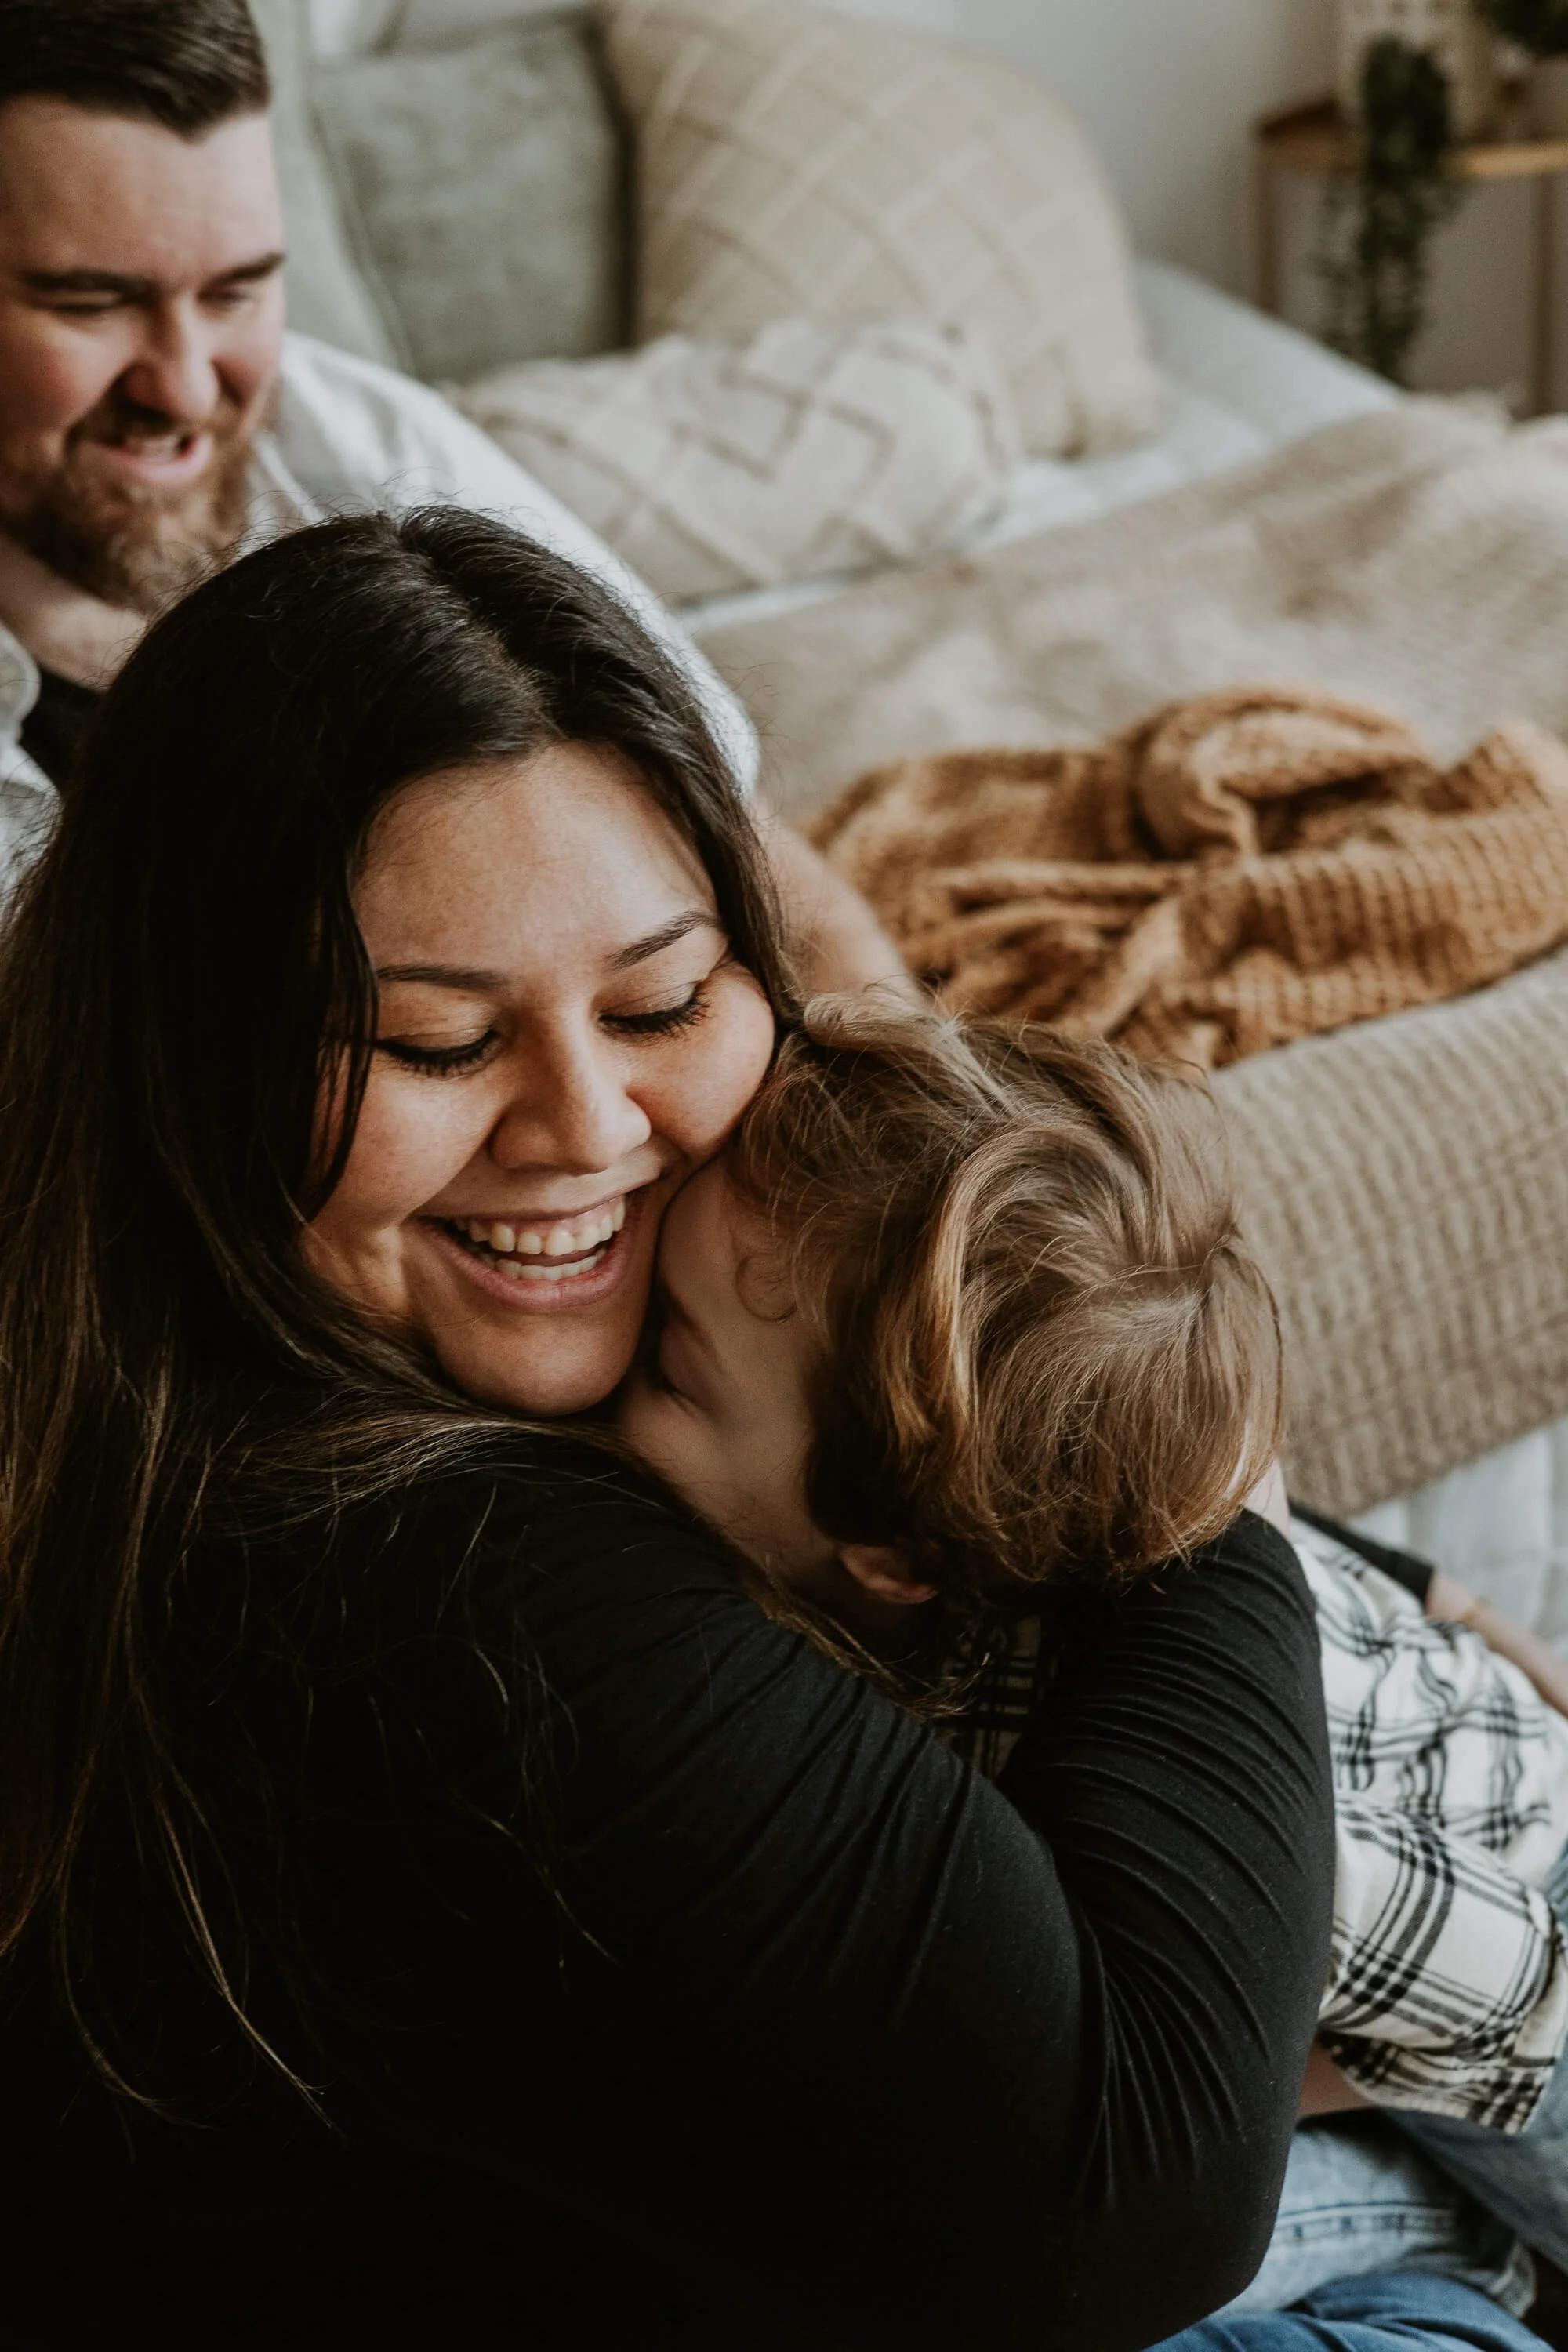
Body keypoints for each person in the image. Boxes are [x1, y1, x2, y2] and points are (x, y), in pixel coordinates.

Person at [0, 505, 1339, 2343]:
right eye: (436, 1042)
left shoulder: (144, 1354)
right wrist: (1209, 1488)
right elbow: (1142, 2201)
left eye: (659, 996)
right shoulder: (425, 1577)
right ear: (187, 1053)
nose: (588, 1125)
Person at [614, 996, 1568, 2314]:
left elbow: (1515, 1988)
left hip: (1512, 1943)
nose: (605, 1360)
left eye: (669, 1365)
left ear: (894, 1555)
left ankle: (1475, 2247)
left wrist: (1261, 2085)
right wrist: (1461, 1609)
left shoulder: (1103, 1772)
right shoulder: (1041, 1497)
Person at [0, 0, 902, 993]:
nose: (182, 388)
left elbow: (775, 881)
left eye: (235, 293)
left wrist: (894, 1077)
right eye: (91, 304)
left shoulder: (360, 450)